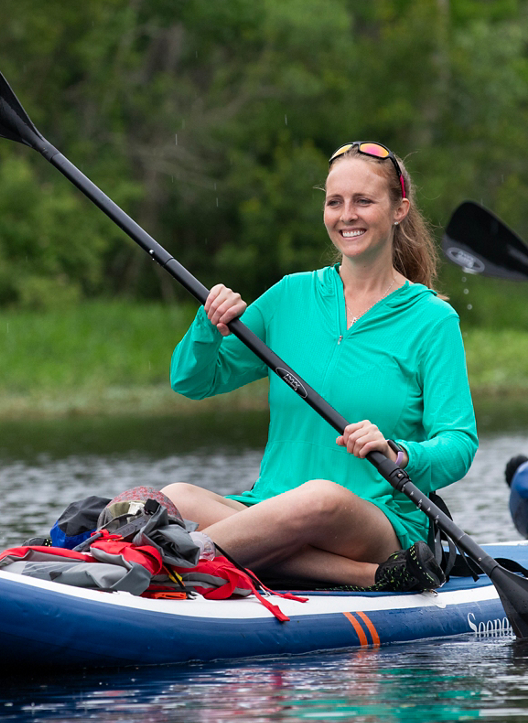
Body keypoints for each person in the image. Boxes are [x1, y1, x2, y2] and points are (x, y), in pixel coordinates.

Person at [162, 141, 478, 590]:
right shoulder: (288, 297)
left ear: (398, 209)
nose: (346, 215)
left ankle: (157, 561)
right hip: (266, 512)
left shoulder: (432, 320)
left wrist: (401, 452)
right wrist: (206, 326)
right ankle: (370, 578)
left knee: (320, 498)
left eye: (363, 201)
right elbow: (192, 381)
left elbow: (459, 442)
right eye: (335, 202)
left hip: (374, 522)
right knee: (176, 497)